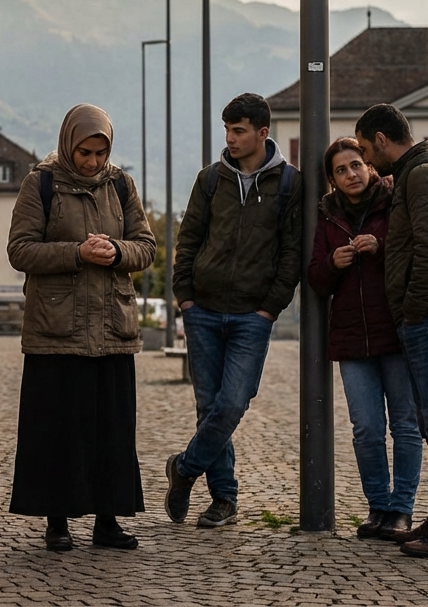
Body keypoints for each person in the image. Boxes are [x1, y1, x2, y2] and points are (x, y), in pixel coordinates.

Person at [6, 104, 155, 551]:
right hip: (57, 329)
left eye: (100, 153)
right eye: (84, 152)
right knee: (59, 429)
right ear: (69, 144)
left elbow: (146, 246)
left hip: (112, 329)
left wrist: (117, 251)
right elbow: (20, 250)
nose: (92, 162)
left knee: (112, 430)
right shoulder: (40, 184)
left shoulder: (121, 184)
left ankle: (108, 522)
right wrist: (76, 253)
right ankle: (57, 522)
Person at [164, 93, 302, 529]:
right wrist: (184, 296)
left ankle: (184, 469)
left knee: (233, 403)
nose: (230, 138)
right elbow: (189, 238)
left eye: (239, 131)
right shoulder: (210, 179)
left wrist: (270, 308)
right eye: (227, 130)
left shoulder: (289, 184)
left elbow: (292, 252)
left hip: (251, 316)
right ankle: (224, 499)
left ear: (263, 132)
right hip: (202, 310)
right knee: (209, 407)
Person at [354, 104, 428, 558]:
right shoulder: (418, 172)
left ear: (382, 139)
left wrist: (412, 311)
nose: (367, 162)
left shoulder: (423, 175)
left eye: (366, 150)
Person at [305, 138, 420, 541]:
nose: (351, 174)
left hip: (396, 331)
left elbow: (413, 252)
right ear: (332, 179)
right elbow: (315, 277)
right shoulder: (328, 215)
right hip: (352, 338)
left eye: (356, 164)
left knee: (405, 425)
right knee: (367, 428)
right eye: (341, 170)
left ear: (370, 166)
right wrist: (332, 264)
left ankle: (401, 509)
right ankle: (378, 507)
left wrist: (382, 247)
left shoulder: (393, 202)